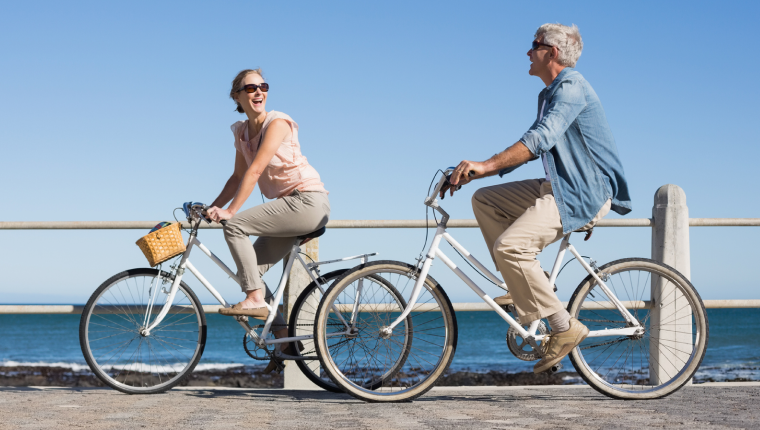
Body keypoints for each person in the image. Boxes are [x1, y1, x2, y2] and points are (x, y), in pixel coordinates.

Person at [443, 23, 632, 373]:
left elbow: (540, 139)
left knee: (511, 247)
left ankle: (564, 326)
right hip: (559, 186)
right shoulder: (548, 94)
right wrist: (476, 175)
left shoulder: (572, 87)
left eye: (534, 45)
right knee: (485, 200)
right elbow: (535, 144)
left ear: (552, 52)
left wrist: (484, 164)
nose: (527, 52)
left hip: (582, 191)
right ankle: (527, 285)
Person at [207, 69, 330, 368]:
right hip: (289, 207)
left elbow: (256, 170)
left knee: (235, 228)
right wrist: (211, 208)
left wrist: (230, 213)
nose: (258, 92)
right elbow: (237, 176)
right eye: (250, 88)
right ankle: (284, 340)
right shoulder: (241, 132)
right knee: (249, 272)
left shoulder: (277, 122)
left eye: (262, 86)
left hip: (307, 201)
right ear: (237, 96)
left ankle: (255, 300)